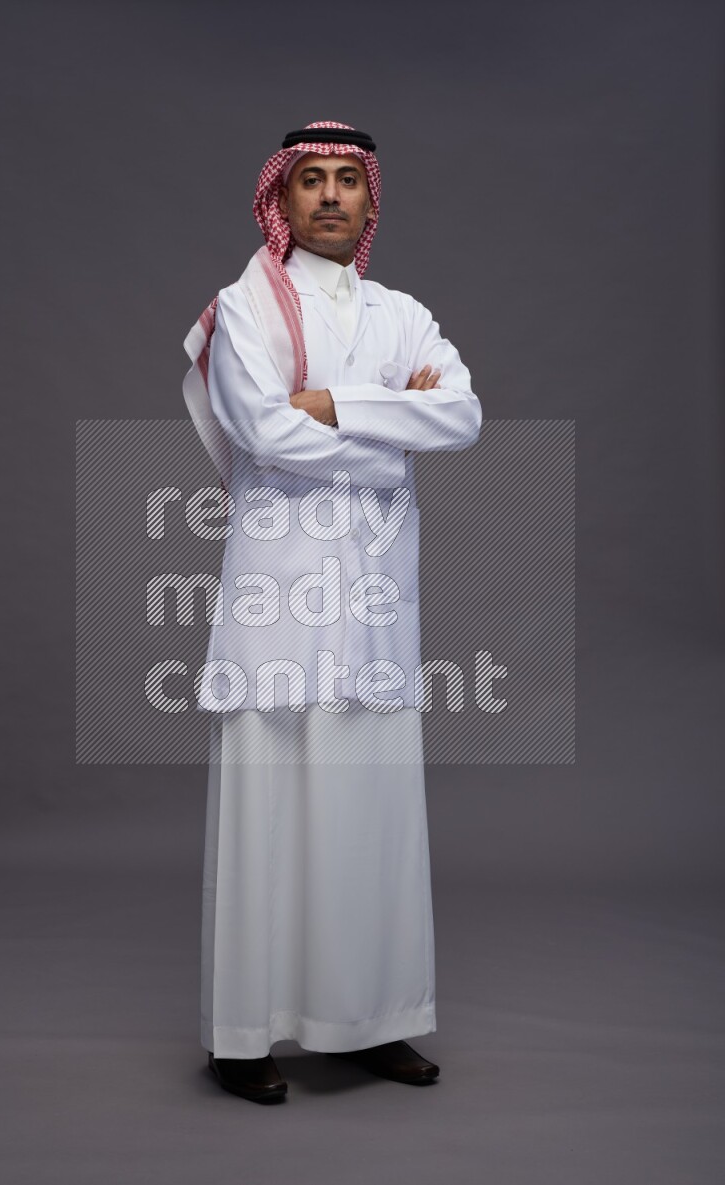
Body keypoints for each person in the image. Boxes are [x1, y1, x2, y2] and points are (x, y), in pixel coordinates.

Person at [181, 121, 482, 1103]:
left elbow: (465, 416)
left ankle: (368, 1024)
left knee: (371, 813)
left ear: (367, 197)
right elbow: (262, 432)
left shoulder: (402, 313)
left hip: (374, 596)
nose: (327, 197)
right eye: (307, 179)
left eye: (345, 180)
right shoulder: (244, 304)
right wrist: (389, 421)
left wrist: (331, 405)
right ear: (280, 197)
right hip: (280, 592)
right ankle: (242, 1039)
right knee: (270, 810)